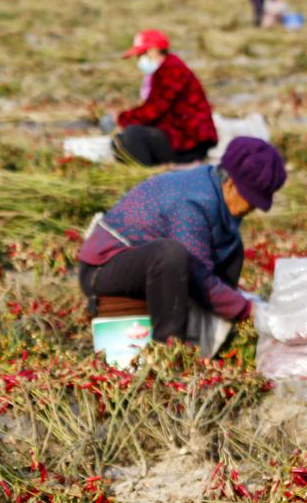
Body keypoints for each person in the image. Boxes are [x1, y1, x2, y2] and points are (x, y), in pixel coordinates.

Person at [77, 137, 287, 348]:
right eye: (251, 202)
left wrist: (238, 302)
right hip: (103, 269)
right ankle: (169, 346)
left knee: (231, 244)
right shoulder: (192, 203)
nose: (252, 209)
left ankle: (213, 332)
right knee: (170, 255)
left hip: (144, 268)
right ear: (231, 184)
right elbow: (199, 274)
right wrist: (247, 309)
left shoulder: (214, 186)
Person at [111, 29, 218, 167]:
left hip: (190, 143)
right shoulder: (163, 69)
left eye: (141, 54)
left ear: (154, 51)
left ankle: (145, 177)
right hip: (177, 136)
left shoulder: (172, 70)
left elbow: (153, 110)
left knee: (133, 134)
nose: (139, 60)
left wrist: (122, 118)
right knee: (119, 142)